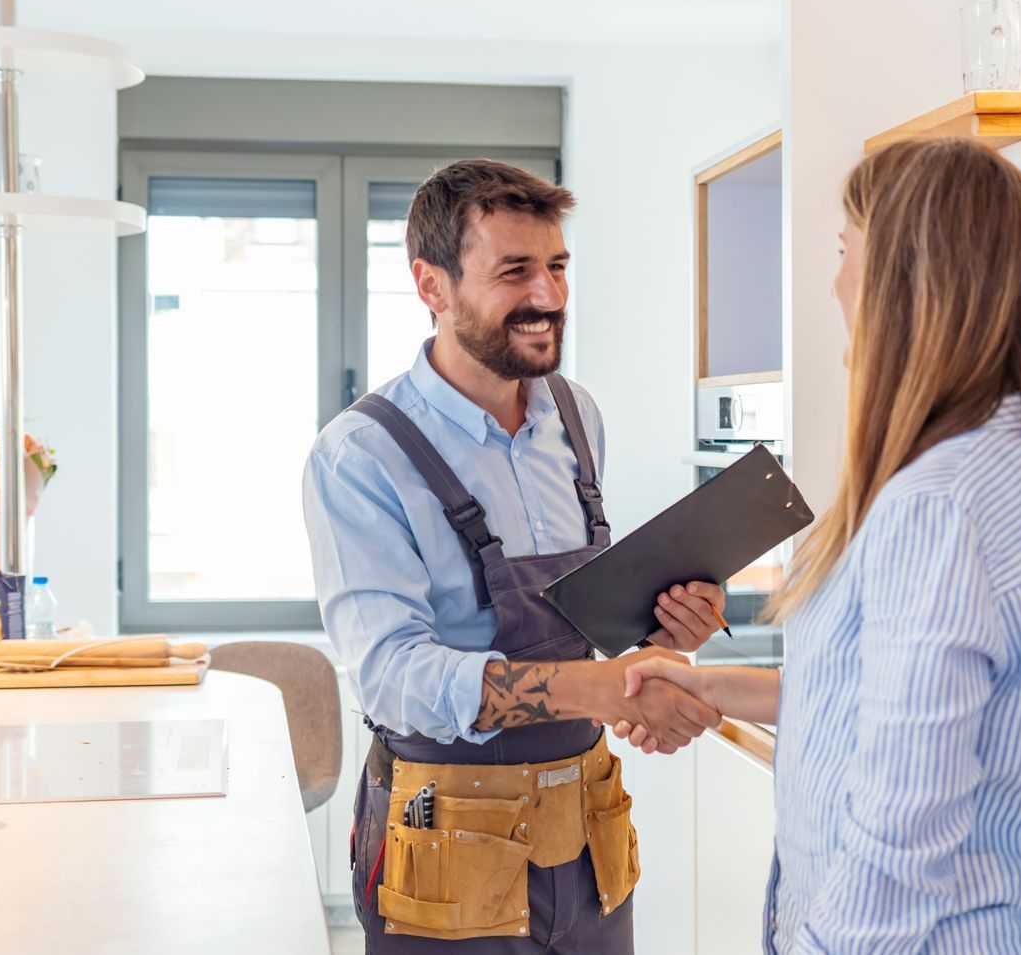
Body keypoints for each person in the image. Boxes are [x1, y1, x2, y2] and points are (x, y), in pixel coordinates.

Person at [623, 138, 1021, 953]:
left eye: (845, 252)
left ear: (904, 281)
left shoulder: (937, 506)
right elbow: (884, 705)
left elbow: (902, 828)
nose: (835, 284)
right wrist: (708, 687)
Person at [303, 158, 728, 953]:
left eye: (558, 266)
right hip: (445, 849)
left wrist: (663, 638)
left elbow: (581, 627)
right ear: (432, 286)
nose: (548, 296)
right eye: (515, 271)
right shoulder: (360, 455)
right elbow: (393, 677)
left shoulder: (576, 416)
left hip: (588, 831)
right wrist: (603, 687)